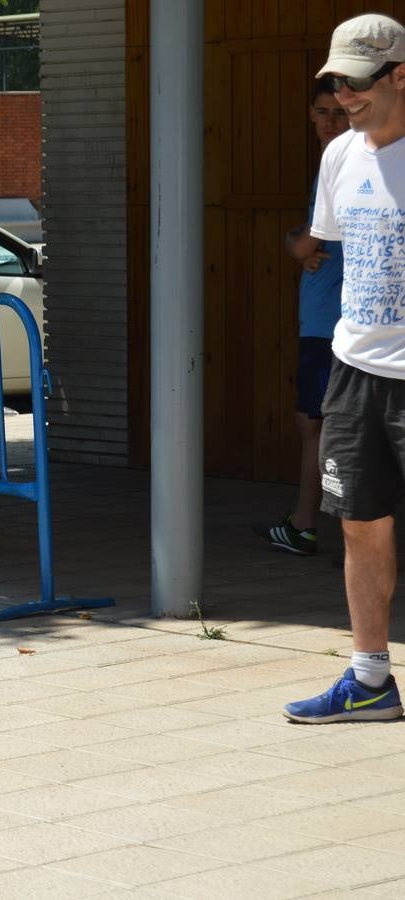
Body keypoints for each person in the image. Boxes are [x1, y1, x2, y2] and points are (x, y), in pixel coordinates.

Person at [284, 13, 405, 724]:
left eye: (356, 83)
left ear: (398, 76)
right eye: (334, 82)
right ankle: (368, 679)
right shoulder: (339, 157)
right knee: (359, 524)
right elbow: (324, 245)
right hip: (354, 367)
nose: (345, 97)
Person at [261, 78, 350, 556]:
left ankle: (307, 525)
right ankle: (304, 522)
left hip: (333, 321)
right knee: (314, 422)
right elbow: (311, 236)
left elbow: (308, 241)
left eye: (338, 112)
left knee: (319, 424)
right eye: (321, 112)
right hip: (322, 317)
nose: (329, 122)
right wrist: (302, 242)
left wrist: (299, 244)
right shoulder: (334, 164)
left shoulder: (348, 164)